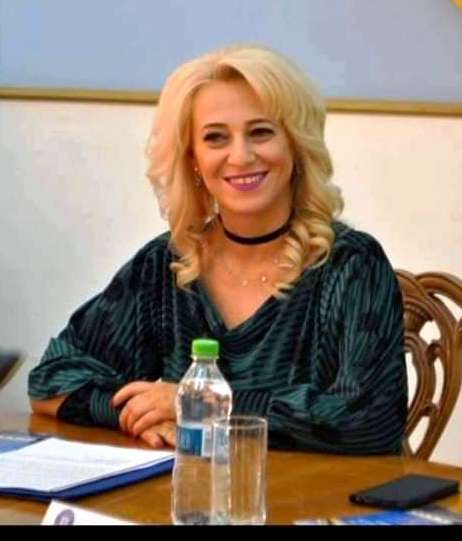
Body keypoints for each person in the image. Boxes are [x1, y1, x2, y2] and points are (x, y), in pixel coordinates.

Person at [28, 44, 407, 454]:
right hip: (190, 491)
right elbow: (51, 379)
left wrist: (199, 405)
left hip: (318, 494)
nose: (240, 156)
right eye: (215, 138)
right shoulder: (167, 265)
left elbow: (371, 420)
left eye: (261, 132)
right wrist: (135, 414)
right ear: (193, 158)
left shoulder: (352, 265)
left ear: (296, 146)